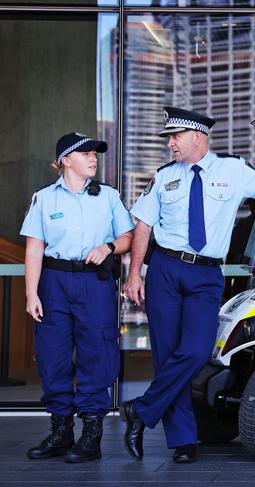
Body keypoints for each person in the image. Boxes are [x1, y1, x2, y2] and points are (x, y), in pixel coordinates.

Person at [121, 106, 255, 463]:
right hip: (164, 269)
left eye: (174, 137)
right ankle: (183, 441)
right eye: (168, 138)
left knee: (196, 350)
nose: (170, 144)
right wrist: (134, 275)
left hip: (205, 274)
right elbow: (143, 225)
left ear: (198, 137)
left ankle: (141, 412)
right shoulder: (163, 176)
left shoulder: (233, 170)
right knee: (166, 356)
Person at [20, 132, 135, 463]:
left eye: (95, 153)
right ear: (66, 161)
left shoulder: (108, 197)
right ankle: (60, 433)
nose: (93, 157)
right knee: (52, 355)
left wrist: (109, 247)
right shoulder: (44, 199)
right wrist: (31, 294)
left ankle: (91, 436)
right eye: (85, 153)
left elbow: (127, 236)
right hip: (53, 283)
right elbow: (34, 248)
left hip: (93, 285)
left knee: (95, 355)